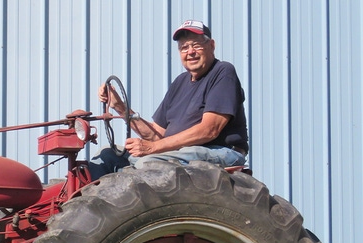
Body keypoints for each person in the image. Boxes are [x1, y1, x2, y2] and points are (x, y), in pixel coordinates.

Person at [88, 19, 249, 178]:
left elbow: (209, 129)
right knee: (107, 156)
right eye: (184, 47)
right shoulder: (180, 83)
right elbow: (156, 135)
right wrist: (120, 107)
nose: (190, 52)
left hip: (220, 150)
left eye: (196, 45)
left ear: (211, 45)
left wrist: (152, 148)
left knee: (149, 164)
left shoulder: (222, 72)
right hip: (182, 152)